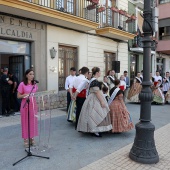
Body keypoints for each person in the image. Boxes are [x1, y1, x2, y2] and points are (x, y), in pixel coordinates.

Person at [77, 67, 112, 137]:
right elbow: (97, 92)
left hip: (91, 98)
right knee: (96, 113)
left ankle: (92, 129)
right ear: (97, 73)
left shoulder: (91, 80)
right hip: (95, 99)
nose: (100, 73)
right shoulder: (95, 81)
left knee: (91, 114)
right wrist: (102, 101)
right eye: (100, 72)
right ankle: (95, 130)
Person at [17, 69, 38, 147]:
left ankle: (32, 138)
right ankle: (25, 139)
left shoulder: (35, 84)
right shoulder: (22, 84)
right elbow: (18, 96)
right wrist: (24, 95)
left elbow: (35, 94)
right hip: (25, 105)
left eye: (33, 74)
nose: (32, 76)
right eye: (30, 74)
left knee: (32, 122)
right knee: (25, 122)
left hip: (33, 105)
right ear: (26, 75)